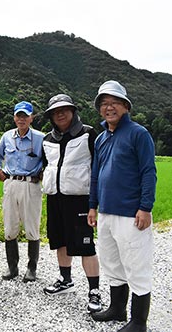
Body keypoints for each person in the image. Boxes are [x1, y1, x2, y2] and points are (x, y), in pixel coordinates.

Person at [88, 81, 156, 331]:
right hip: (105, 211)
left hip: (131, 213)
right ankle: (117, 309)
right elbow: (96, 174)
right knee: (112, 263)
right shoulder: (102, 138)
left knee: (136, 265)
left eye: (114, 102)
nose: (109, 107)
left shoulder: (139, 133)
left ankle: (139, 322)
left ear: (125, 106)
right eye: (104, 103)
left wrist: (145, 207)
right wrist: (93, 206)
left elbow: (149, 171)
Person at [41, 94, 102, 313]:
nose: (60, 114)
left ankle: (94, 290)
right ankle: (65, 280)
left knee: (85, 245)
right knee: (60, 241)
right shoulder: (48, 139)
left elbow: (98, 167)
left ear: (73, 111)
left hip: (79, 199)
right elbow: (45, 165)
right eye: (55, 112)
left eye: (64, 110)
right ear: (51, 116)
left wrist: (95, 202)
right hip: (55, 197)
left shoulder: (88, 134)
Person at [0, 101, 44, 282]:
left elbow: (49, 160)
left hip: (31, 185)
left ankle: (32, 268)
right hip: (11, 183)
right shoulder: (7, 136)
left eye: (25, 116)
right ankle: (12, 267)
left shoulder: (40, 138)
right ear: (14, 117)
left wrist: (42, 173)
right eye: (18, 116)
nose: (21, 119)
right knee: (10, 226)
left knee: (32, 227)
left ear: (32, 118)